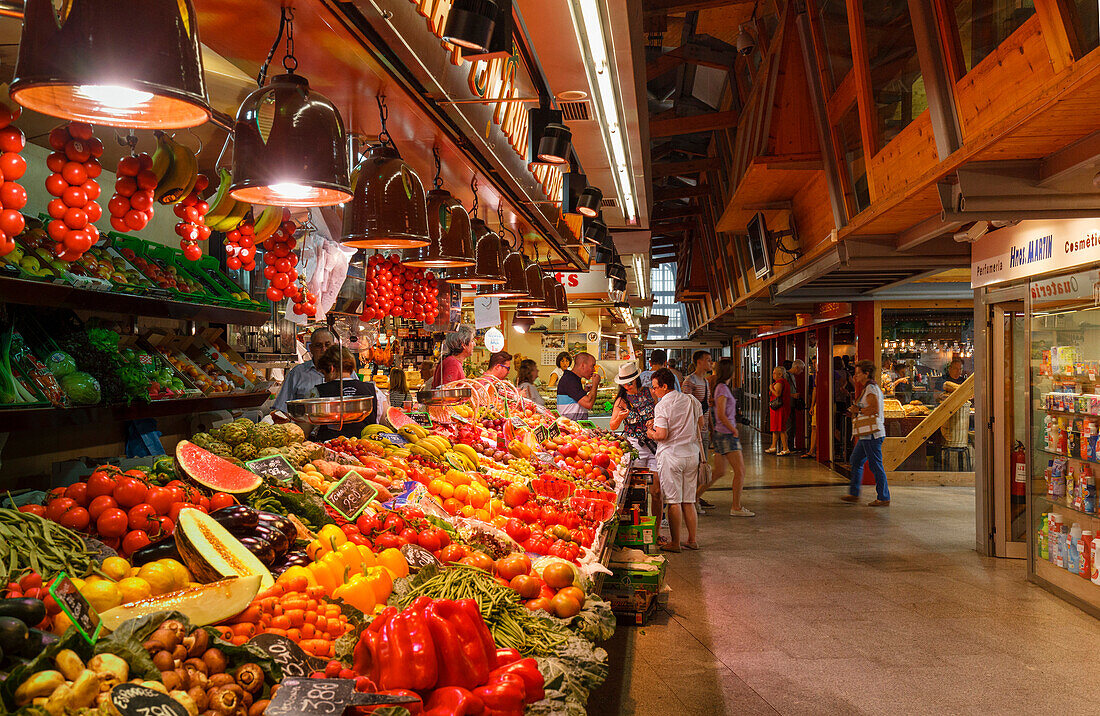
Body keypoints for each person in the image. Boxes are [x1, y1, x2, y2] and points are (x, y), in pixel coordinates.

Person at [646, 367, 702, 552]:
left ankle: (675, 542)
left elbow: (662, 434)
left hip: (671, 456)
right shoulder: (691, 400)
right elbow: (700, 424)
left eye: (655, 387)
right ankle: (692, 540)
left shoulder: (662, 405)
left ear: (664, 386)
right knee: (688, 500)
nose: (654, 391)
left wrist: (650, 432)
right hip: (691, 454)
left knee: (673, 501)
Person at [706, 358, 752, 516]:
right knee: (740, 471)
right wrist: (734, 429)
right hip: (727, 434)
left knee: (718, 472)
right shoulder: (723, 388)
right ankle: (736, 507)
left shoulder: (719, 387)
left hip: (720, 433)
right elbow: (721, 414)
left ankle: (694, 497)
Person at [841, 360, 890, 506]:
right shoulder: (869, 388)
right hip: (867, 435)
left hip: (872, 435)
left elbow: (874, 409)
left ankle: (883, 497)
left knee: (875, 465)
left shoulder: (870, 389)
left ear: (866, 373)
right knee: (856, 460)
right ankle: (854, 493)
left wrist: (858, 410)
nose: (855, 376)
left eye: (858, 373)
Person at [312, 346, 378, 442]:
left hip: (330, 451)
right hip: (365, 451)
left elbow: (306, 428)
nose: (325, 379)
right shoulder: (372, 389)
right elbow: (386, 420)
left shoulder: (317, 391)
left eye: (324, 374)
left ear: (331, 368)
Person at [681, 351, 715, 510]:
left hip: (704, 430)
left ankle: (696, 498)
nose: (710, 363)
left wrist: (711, 427)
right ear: (699, 362)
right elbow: (686, 406)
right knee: (694, 468)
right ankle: (691, 500)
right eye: (708, 360)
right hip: (694, 432)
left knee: (701, 466)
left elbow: (706, 406)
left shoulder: (706, 382)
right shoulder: (690, 381)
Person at [273, 328, 332, 413]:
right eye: (318, 345)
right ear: (311, 348)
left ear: (334, 347)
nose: (324, 349)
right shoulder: (297, 373)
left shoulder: (345, 372)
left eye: (327, 345)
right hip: (303, 425)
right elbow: (281, 409)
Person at [557, 352, 600, 419]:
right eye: (592, 366)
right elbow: (588, 404)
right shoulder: (569, 380)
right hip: (570, 427)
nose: (594, 370)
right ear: (583, 365)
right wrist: (595, 384)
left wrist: (584, 391)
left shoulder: (574, 379)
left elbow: (575, 400)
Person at [766, 365, 791, 455]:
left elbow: (777, 394)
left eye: (774, 373)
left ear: (780, 374)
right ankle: (773, 446)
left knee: (781, 428)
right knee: (775, 428)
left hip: (780, 409)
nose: (773, 375)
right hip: (777, 409)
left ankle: (785, 448)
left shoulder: (780, 382)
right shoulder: (780, 382)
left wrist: (771, 388)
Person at [786, 359, 805, 452]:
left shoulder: (792, 376)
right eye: (801, 369)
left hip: (792, 403)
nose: (801, 372)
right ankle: (787, 446)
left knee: (792, 425)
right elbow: (781, 391)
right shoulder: (786, 375)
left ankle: (790, 446)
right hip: (788, 404)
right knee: (789, 426)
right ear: (796, 367)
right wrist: (792, 395)